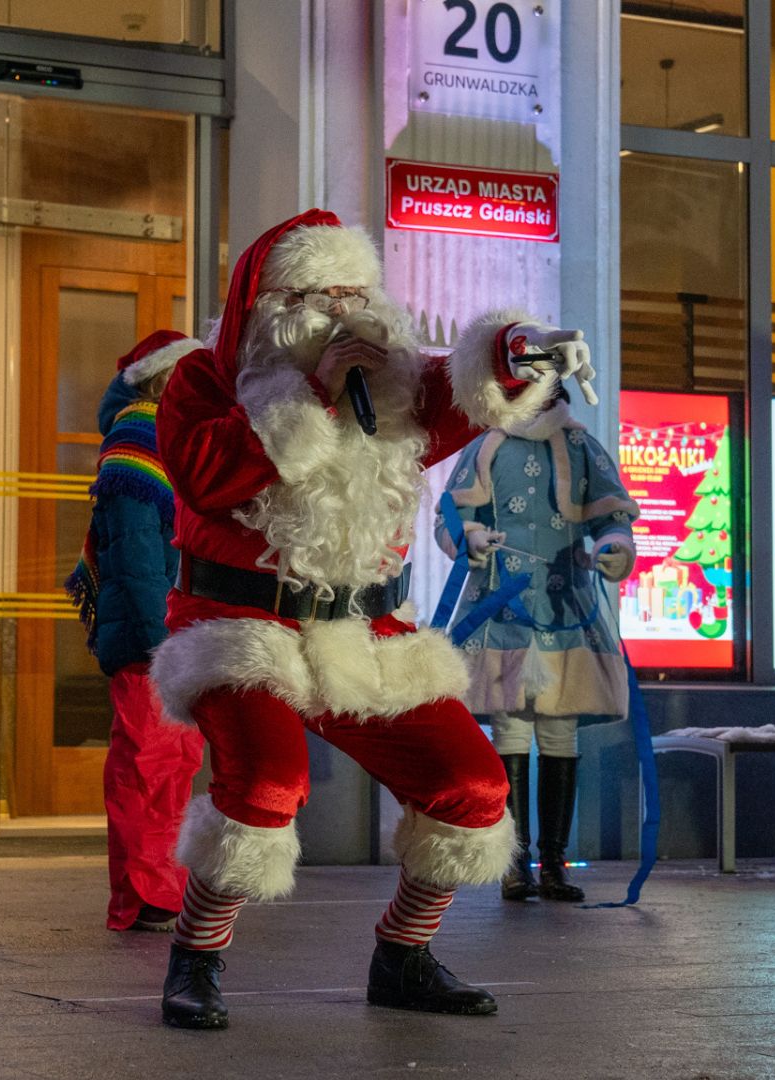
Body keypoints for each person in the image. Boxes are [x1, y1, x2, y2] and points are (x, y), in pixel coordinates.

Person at [148, 209, 584, 1029]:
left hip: (367, 633)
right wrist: (313, 393)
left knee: (474, 787)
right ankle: (195, 958)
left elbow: (470, 394)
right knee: (266, 786)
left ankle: (404, 956)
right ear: (273, 305)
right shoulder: (204, 382)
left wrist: (519, 352)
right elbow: (206, 476)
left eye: (359, 290)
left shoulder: (395, 385)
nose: (348, 311)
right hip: (242, 627)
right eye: (323, 294)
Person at [435, 317, 637, 902]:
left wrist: (612, 548)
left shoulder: (579, 444)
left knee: (560, 728)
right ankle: (515, 862)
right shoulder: (485, 443)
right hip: (499, 604)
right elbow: (453, 512)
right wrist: (469, 537)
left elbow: (612, 518)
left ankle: (552, 863)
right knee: (511, 725)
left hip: (564, 601)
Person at [65, 330, 205, 933]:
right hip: (154, 635)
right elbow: (135, 551)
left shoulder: (175, 441)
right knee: (146, 761)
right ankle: (145, 893)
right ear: (161, 378)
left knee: (175, 762)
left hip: (178, 632)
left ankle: (159, 887)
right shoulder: (137, 436)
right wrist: (161, 634)